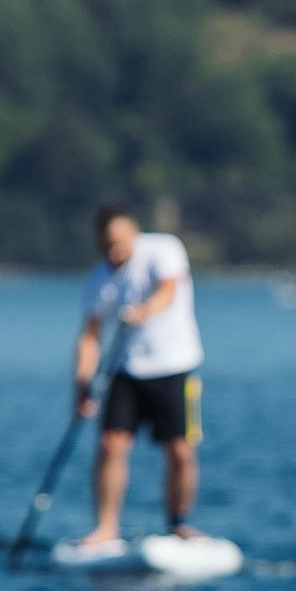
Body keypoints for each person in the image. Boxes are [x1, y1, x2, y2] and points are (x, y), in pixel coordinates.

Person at [69, 203, 208, 552]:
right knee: (111, 444)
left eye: (120, 243)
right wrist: (82, 387)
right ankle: (105, 527)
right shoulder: (100, 279)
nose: (114, 252)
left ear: (134, 233)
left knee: (179, 450)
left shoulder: (164, 249)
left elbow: (169, 290)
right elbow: (89, 336)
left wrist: (143, 311)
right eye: (107, 246)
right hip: (125, 369)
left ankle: (178, 524)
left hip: (174, 365)